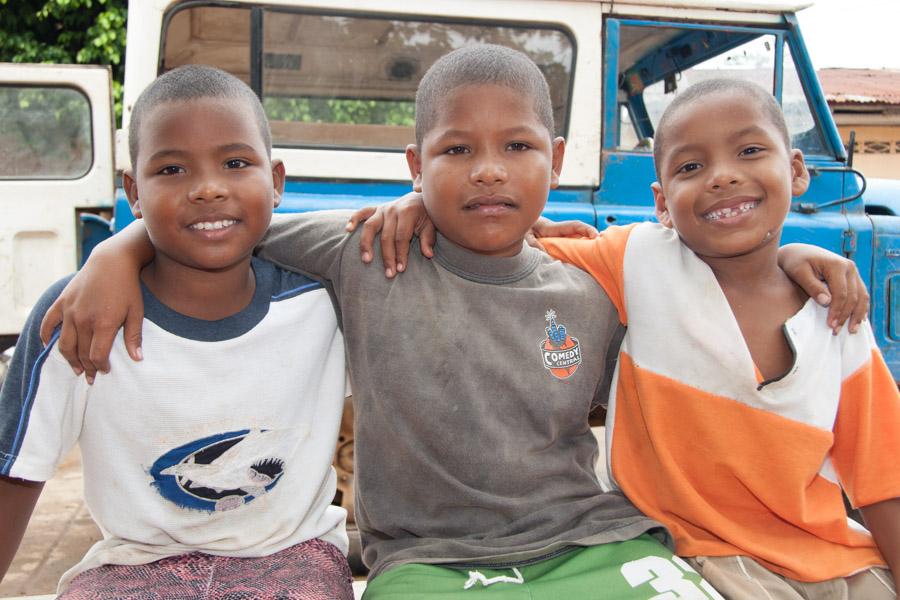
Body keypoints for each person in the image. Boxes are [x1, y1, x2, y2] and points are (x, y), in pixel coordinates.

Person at [39, 48, 867, 599]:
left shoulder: (598, 284)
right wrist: (116, 252)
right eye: (455, 152)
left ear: (556, 154)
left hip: (594, 539)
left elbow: (708, 259)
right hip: (424, 561)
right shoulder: (367, 250)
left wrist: (795, 259)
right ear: (415, 165)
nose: (489, 171)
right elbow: (221, 221)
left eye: (516, 147)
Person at [534, 79, 899, 599]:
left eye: (750, 151)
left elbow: (884, 475)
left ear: (795, 171)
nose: (723, 177)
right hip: (688, 555)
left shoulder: (835, 315)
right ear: (661, 202)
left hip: (830, 559)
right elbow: (511, 238)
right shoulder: (637, 259)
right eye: (690, 167)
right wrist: (418, 209)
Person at [0, 65, 354, 599]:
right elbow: (18, 472)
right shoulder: (80, 313)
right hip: (132, 566)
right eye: (171, 169)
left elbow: (413, 242)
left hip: (293, 558)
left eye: (236, 163)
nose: (208, 188)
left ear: (276, 181)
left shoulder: (326, 300)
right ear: (133, 192)